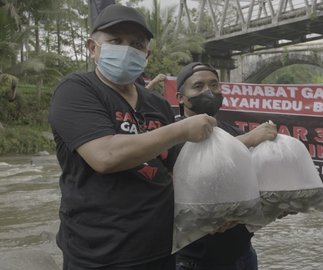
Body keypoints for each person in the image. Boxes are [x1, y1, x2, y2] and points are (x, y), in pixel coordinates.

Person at [48, 5, 217, 269]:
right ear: (92, 48)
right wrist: (182, 129)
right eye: (116, 41)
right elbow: (105, 156)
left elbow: (178, 171)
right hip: (99, 256)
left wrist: (221, 207)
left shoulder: (157, 104)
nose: (127, 49)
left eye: (136, 44)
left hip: (162, 250)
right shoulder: (76, 91)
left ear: (146, 55)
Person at [174, 62, 277, 270]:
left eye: (214, 85)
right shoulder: (172, 132)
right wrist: (248, 139)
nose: (209, 92)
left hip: (242, 253)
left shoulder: (231, 130)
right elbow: (194, 165)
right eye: (198, 86)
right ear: (181, 97)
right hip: (196, 259)